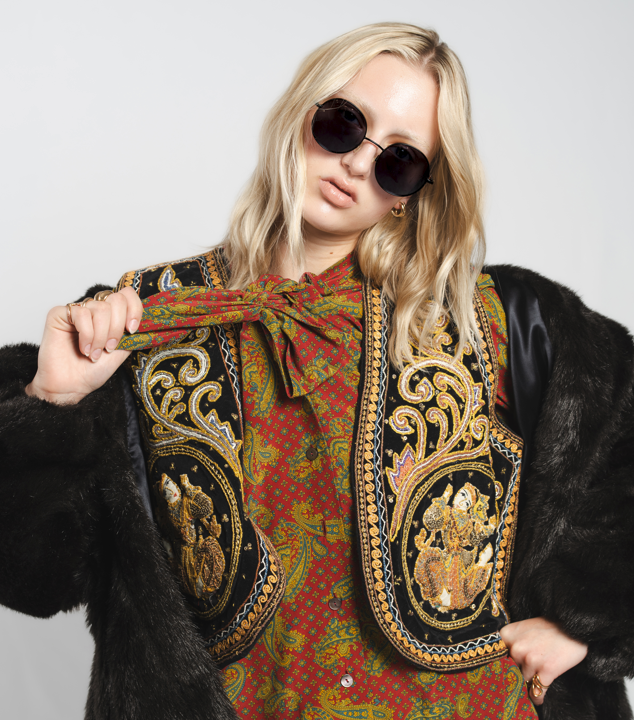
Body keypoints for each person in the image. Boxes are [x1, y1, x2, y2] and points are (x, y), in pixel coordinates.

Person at [0, 22, 632, 720]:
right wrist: (52, 401)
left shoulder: (503, 319)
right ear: (300, 112)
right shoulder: (143, 318)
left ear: (412, 192)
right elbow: (35, 578)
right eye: (343, 124)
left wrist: (589, 623)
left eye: (398, 161)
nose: (357, 164)